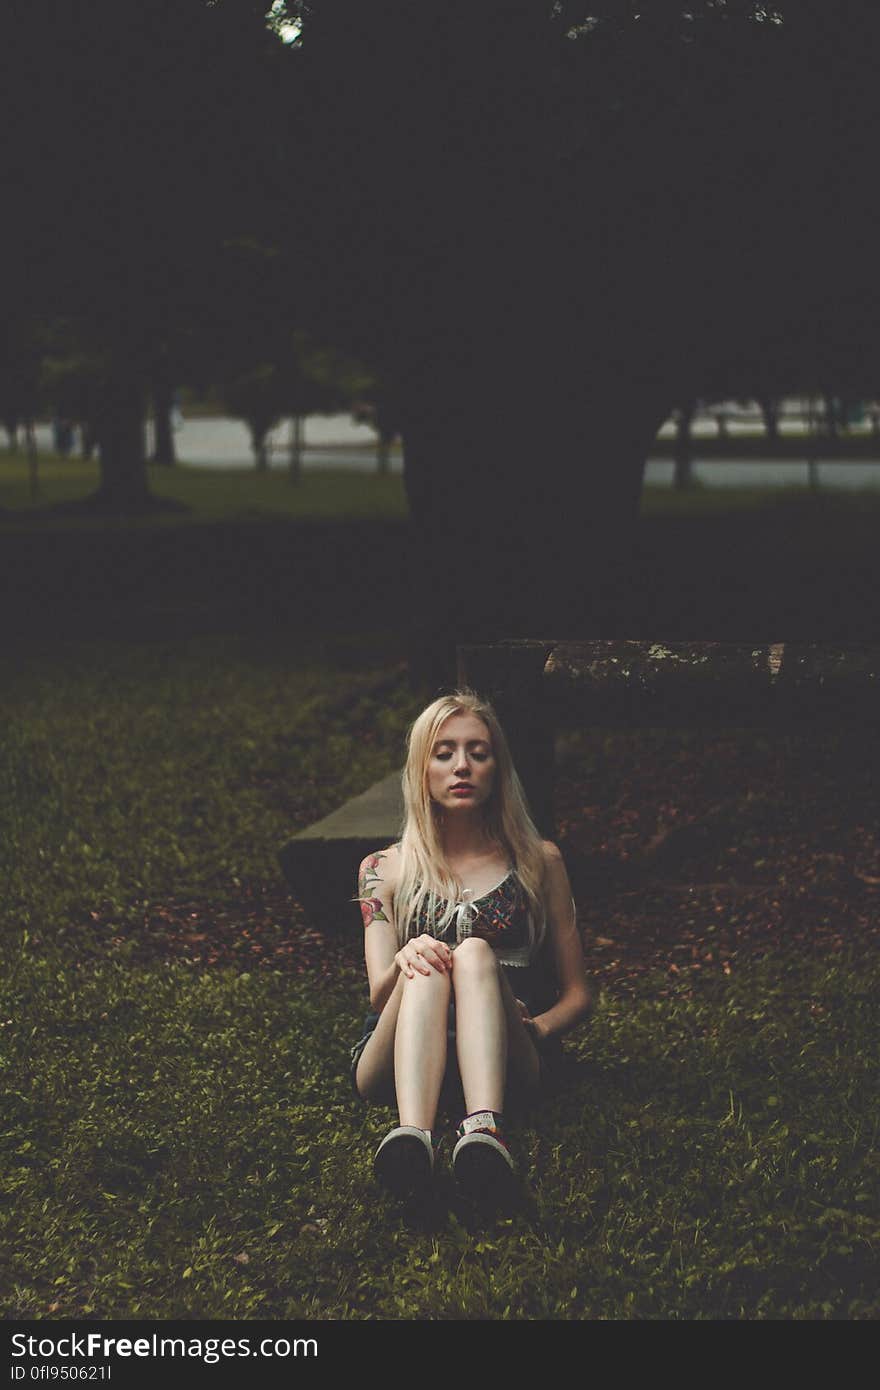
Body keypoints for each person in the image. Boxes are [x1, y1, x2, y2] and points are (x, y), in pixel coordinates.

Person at [351, 689, 592, 1201]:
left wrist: (537, 1025)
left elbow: (578, 996)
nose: (462, 766)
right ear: (422, 767)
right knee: (429, 958)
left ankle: (485, 1129)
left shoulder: (539, 861)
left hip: (508, 1053)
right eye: (444, 753)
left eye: (478, 753)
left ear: (497, 768)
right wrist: (406, 956)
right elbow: (378, 996)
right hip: (395, 1054)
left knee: (476, 952)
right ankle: (413, 1135)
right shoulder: (381, 869)